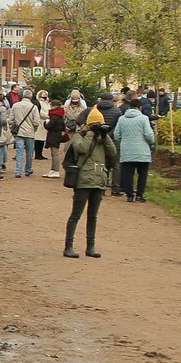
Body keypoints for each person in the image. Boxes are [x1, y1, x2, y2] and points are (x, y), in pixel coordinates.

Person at [62, 107, 118, 258]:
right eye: (97, 123)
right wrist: (91, 132)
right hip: (83, 181)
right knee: (76, 215)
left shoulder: (102, 139)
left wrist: (105, 135)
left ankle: (90, 246)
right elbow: (82, 148)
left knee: (93, 216)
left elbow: (113, 152)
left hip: (99, 180)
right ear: (90, 124)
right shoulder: (79, 136)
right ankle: (68, 246)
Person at [114, 100, 155, 202]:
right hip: (142, 151)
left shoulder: (122, 119)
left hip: (126, 151)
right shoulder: (144, 119)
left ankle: (129, 195)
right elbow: (148, 134)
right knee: (142, 174)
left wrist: (122, 143)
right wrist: (151, 142)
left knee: (128, 174)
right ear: (140, 107)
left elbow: (116, 135)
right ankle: (140, 195)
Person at [94, 93, 124, 195]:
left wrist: (100, 134)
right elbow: (118, 126)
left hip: (98, 140)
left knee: (102, 163)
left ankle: (101, 187)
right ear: (112, 100)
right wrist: (110, 134)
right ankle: (115, 189)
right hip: (113, 140)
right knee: (116, 165)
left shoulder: (96, 109)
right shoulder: (117, 111)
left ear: (100, 99)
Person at [10, 90, 42, 178]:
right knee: (29, 152)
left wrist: (12, 128)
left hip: (19, 132)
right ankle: (28, 169)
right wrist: (34, 129)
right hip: (30, 132)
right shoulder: (34, 107)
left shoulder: (15, 105)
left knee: (19, 152)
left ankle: (18, 171)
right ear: (31, 97)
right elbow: (36, 121)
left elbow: (11, 119)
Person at [42, 99, 67, 178]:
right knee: (54, 153)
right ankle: (53, 170)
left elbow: (49, 126)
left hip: (53, 135)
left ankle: (56, 170)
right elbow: (63, 127)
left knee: (55, 153)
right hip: (57, 135)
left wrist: (45, 123)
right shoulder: (60, 115)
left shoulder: (54, 116)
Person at [0, 91, 13, 172]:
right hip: (0, 129)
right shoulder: (3, 108)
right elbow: (4, 120)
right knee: (2, 147)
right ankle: (0, 165)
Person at [33, 89, 51, 160]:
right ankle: (37, 154)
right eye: (42, 96)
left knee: (42, 139)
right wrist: (48, 116)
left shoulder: (47, 103)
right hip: (41, 121)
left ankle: (40, 153)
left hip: (46, 122)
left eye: (45, 97)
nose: (44, 98)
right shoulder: (39, 103)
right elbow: (40, 112)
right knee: (38, 139)